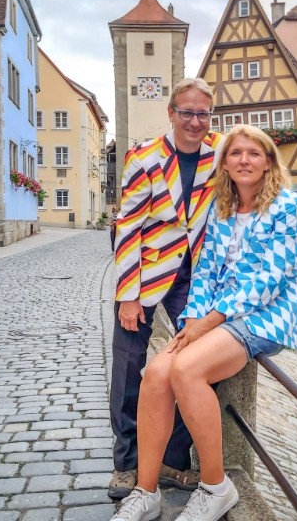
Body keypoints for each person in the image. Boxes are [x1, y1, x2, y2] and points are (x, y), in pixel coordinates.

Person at [110, 125, 297, 521]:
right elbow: (204, 275)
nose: (244, 160)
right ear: (226, 163)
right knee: (155, 373)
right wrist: (194, 318)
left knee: (185, 368)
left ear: (268, 161)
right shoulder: (223, 209)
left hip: (265, 316)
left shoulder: (288, 206)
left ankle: (216, 487)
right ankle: (145, 491)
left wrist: (209, 321)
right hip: (217, 317)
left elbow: (269, 279)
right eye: (236, 153)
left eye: (254, 153)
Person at [110, 78, 223, 499]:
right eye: (187, 112)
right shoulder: (145, 157)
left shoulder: (220, 152)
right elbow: (128, 227)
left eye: (203, 113)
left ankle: (174, 460)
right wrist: (127, 293)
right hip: (145, 272)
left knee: (191, 364)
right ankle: (127, 463)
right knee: (128, 368)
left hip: (195, 278)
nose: (195, 121)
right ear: (171, 113)